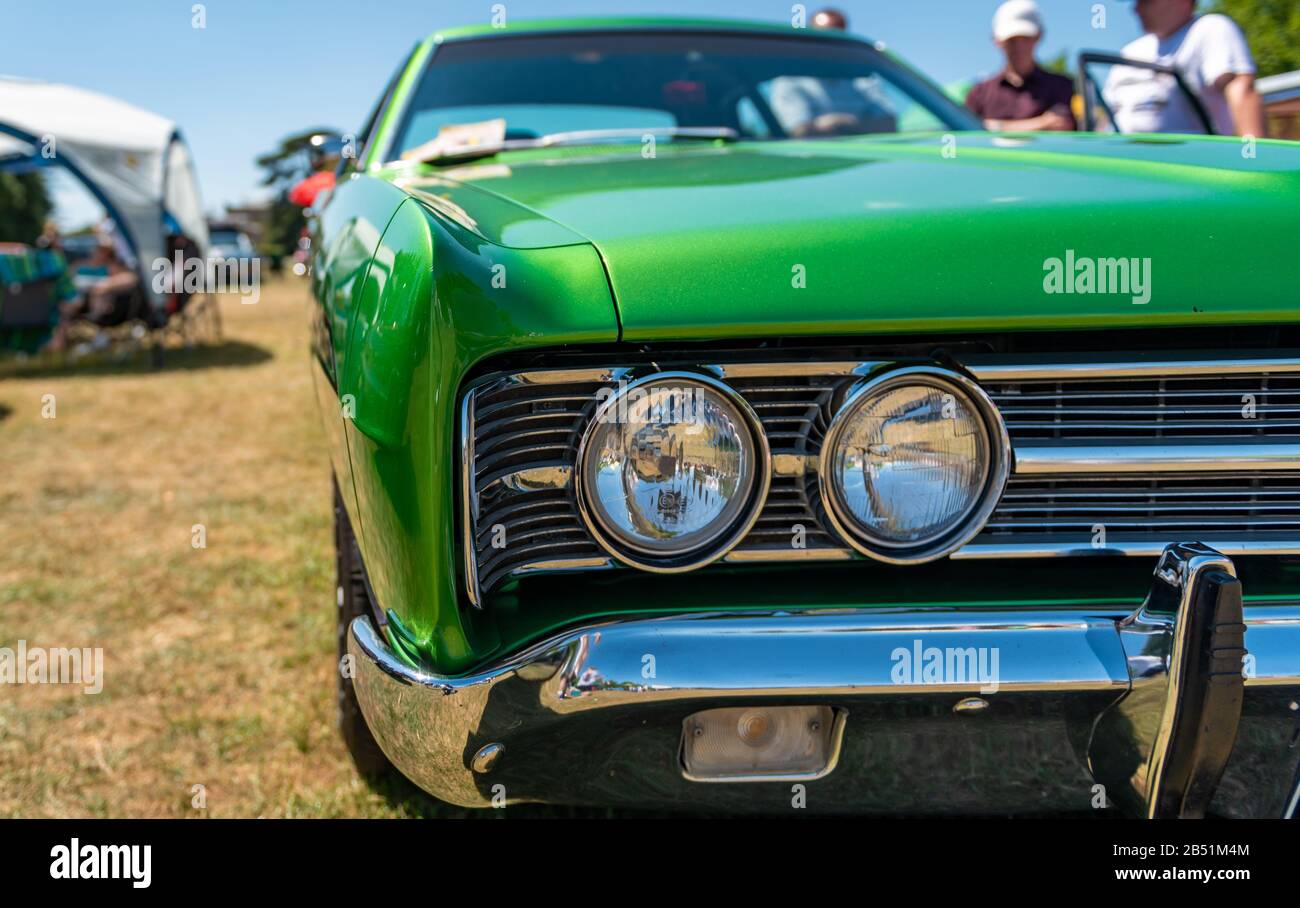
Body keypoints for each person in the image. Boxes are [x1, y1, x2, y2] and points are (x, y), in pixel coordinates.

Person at [1106, 0, 1265, 136]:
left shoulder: (1209, 29)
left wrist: (1257, 162)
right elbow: (1104, 117)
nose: (1136, 9)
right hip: (1122, 165)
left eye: (1146, 0)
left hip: (1188, 165)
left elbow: (1241, 91)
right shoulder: (1129, 52)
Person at [766, 9, 899, 137]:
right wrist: (863, 125)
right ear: (809, 37)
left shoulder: (863, 79)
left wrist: (844, 123)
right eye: (822, 37)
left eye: (837, 36)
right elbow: (800, 131)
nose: (830, 43)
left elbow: (889, 123)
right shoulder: (790, 81)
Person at [965, 1, 1076, 132]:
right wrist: (1041, 123)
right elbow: (965, 129)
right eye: (1011, 40)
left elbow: (1062, 126)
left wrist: (990, 126)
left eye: (1025, 38)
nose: (1019, 46)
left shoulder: (1062, 86)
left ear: (1038, 36)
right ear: (997, 40)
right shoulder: (979, 93)